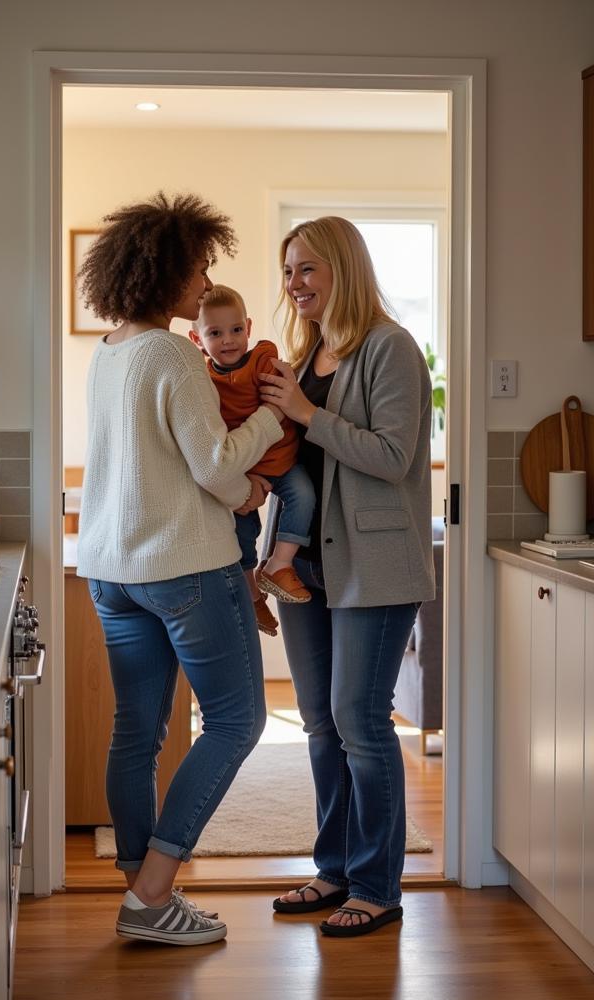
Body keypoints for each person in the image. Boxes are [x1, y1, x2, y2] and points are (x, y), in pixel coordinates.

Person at [75, 192, 284, 946]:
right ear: (166, 269)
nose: (204, 283)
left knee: (138, 730)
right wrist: (270, 424)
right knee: (237, 720)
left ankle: (145, 893)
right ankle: (154, 895)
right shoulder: (171, 352)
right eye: (198, 266)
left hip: (111, 570)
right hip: (188, 567)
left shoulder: (112, 351)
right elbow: (216, 467)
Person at [259, 216, 435, 937]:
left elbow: (393, 456)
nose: (294, 284)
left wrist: (305, 413)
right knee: (321, 726)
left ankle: (376, 885)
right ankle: (333, 871)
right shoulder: (308, 357)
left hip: (377, 568)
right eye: (289, 271)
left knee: (362, 723)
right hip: (308, 571)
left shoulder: (389, 349)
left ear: (343, 271)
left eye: (307, 270)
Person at [189, 283, 316, 637]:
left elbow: (280, 396)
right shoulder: (202, 377)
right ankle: (252, 593)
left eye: (235, 330)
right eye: (215, 333)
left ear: (248, 327)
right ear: (197, 339)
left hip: (281, 459)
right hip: (243, 470)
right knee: (241, 532)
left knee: (304, 496)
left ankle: (279, 565)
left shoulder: (262, 358)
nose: (228, 340)